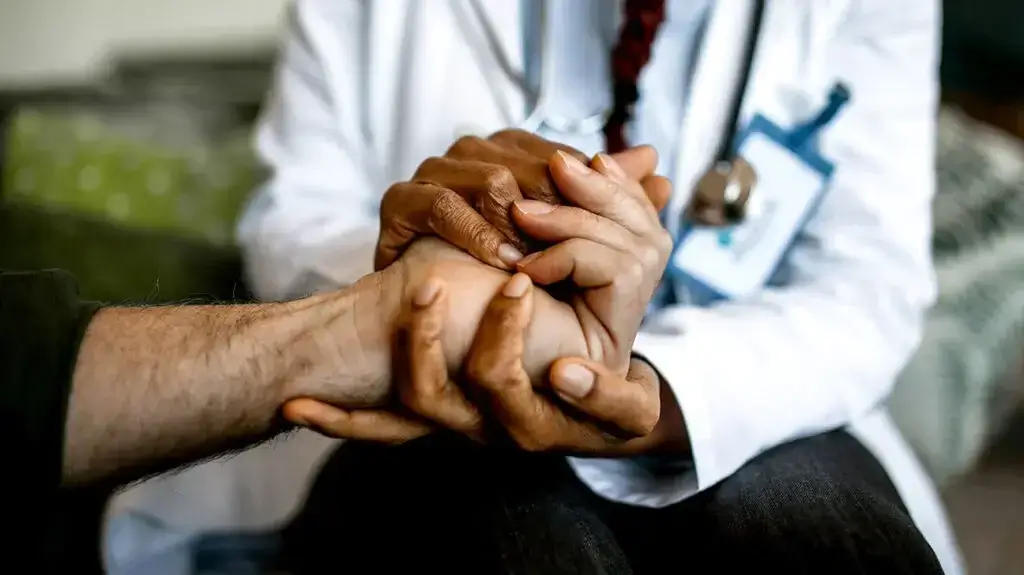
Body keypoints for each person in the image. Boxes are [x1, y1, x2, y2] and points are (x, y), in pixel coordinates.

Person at [232, 0, 963, 573]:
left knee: (814, 528)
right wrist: (457, 284)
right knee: (503, 531)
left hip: (739, 395)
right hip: (439, 400)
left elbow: (866, 287)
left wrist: (653, 389)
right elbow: (290, 217)